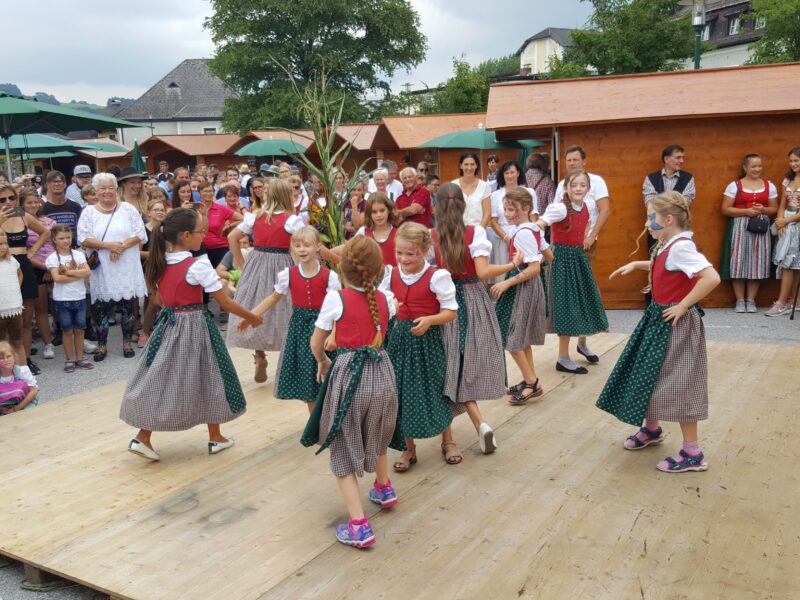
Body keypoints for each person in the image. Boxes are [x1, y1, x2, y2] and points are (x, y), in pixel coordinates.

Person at [120, 208, 262, 461]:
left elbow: (160, 300)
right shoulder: (197, 266)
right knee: (210, 375)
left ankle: (210, 436)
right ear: (186, 236)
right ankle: (145, 436)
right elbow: (225, 304)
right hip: (196, 326)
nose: (204, 236)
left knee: (166, 377)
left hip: (169, 325)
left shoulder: (160, 262)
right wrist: (251, 316)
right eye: (201, 232)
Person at [597, 191, 720, 473]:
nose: (646, 223)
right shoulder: (670, 244)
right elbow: (666, 267)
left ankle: (693, 453)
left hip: (675, 325)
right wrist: (637, 265)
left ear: (667, 219)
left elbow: (711, 277)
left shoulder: (681, 247)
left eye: (650, 217)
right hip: (658, 321)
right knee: (647, 374)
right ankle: (651, 429)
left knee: (679, 384)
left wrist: (683, 306)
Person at [301, 236, 399, 549]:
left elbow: (316, 343)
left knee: (343, 442)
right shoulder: (386, 298)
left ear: (342, 266)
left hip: (350, 376)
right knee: (378, 429)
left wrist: (324, 361)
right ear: (380, 268)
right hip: (382, 372)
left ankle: (358, 525)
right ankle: (383, 488)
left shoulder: (336, 298)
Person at [433, 184, 523, 454]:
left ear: (437, 207)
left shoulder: (432, 236)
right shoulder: (475, 233)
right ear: (463, 205)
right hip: (473, 301)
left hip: (443, 301)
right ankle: (479, 424)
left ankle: (455, 435)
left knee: (449, 365)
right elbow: (483, 272)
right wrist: (512, 263)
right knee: (465, 363)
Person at [380, 223, 458, 471]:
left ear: (425, 251)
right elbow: (381, 304)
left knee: (436, 387)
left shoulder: (437, 276)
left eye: (410, 254)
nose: (403, 259)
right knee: (400, 391)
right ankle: (408, 447)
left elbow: (452, 311)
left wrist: (431, 320)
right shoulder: (390, 274)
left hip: (429, 340)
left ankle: (448, 440)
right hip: (400, 339)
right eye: (399, 253)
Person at [242, 227, 340, 410]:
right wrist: (251, 315)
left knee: (329, 380)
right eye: (297, 245)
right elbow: (273, 297)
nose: (302, 249)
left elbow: (337, 309)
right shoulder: (288, 274)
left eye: (307, 245)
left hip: (324, 330)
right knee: (310, 384)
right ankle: (316, 429)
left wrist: (334, 333)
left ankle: (329, 422)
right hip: (300, 332)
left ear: (318, 246)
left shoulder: (330, 277)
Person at [226, 179, 304, 383]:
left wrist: (243, 264)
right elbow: (304, 242)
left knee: (255, 307)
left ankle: (259, 355)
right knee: (286, 312)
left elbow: (232, 238)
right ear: (287, 196)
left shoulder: (255, 217)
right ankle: (285, 365)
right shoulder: (291, 220)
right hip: (282, 265)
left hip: (257, 263)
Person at [539, 170, 608, 374]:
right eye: (574, 185)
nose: (578, 188)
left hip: (578, 257)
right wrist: (548, 251)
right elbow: (537, 228)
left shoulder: (587, 206)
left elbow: (583, 228)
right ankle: (563, 357)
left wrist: (584, 240)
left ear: (588, 188)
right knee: (567, 305)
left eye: (583, 185)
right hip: (561, 260)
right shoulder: (559, 208)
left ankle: (582, 344)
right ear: (567, 188)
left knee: (585, 299)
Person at [78, 173, 148, 361]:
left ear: (116, 189)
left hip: (126, 265)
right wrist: (109, 246)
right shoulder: (88, 212)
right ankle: (102, 346)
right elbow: (84, 239)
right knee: (100, 309)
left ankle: (126, 343)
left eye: (111, 187)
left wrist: (121, 247)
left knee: (128, 308)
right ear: (95, 191)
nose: (107, 191)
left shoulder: (128, 209)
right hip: (103, 269)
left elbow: (140, 233)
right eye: (103, 188)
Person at [492, 186, 551, 402]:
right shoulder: (534, 229)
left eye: (512, 209)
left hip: (522, 288)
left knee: (511, 338)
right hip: (529, 286)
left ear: (526, 208)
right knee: (520, 336)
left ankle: (532, 383)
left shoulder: (523, 233)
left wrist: (507, 282)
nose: (507, 214)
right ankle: (529, 379)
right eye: (505, 210)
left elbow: (533, 268)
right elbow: (549, 255)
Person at [0, 184, 50, 375]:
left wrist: (32, 252)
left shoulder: (22, 214)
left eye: (11, 198)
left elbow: (45, 232)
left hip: (22, 265)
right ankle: (5, 365)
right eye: (2, 200)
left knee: (26, 319)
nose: (7, 203)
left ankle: (25, 361)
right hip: (3, 268)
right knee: (5, 319)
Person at [720, 154, 779, 313]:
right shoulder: (735, 186)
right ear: (745, 167)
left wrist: (763, 210)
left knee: (756, 262)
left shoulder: (769, 185)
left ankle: (751, 300)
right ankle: (740, 300)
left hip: (760, 227)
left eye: (759, 166)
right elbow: (725, 209)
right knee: (738, 262)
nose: (757, 169)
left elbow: (774, 209)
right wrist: (746, 211)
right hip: (739, 226)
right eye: (753, 166)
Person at [642, 144, 697, 301]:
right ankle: (653, 299)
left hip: (678, 229)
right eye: (678, 157)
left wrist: (663, 206)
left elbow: (685, 203)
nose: (682, 161)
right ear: (666, 159)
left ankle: (679, 298)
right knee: (655, 261)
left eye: (683, 158)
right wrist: (671, 206)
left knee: (678, 262)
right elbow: (650, 203)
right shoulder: (651, 179)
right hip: (656, 227)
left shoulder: (689, 178)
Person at [46, 225, 93, 372]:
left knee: (80, 329)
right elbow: (57, 278)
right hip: (62, 299)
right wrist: (76, 273)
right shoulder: (52, 258)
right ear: (54, 240)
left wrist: (68, 272)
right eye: (61, 238)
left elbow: (87, 272)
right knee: (66, 330)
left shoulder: (78, 255)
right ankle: (69, 359)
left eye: (68, 237)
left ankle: (80, 357)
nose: (65, 241)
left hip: (79, 297)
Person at [555, 146, 611, 264]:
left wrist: (592, 237)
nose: (571, 163)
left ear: (584, 162)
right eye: (568, 160)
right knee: (565, 281)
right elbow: (555, 216)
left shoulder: (596, 181)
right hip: (564, 245)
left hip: (585, 242)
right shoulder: (561, 185)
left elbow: (605, 210)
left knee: (584, 280)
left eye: (575, 160)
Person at [22, 189, 56, 359]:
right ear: (21, 205)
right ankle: (43, 345)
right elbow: (25, 252)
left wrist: (54, 266)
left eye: (36, 202)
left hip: (53, 265)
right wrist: (45, 268)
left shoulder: (48, 221)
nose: (34, 205)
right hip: (34, 267)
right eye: (29, 202)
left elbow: (56, 241)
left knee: (53, 306)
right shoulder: (19, 223)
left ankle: (56, 341)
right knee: (38, 308)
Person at [322, 192, 399, 268]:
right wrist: (325, 253)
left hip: (392, 279)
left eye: (382, 210)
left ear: (388, 210)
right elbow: (346, 247)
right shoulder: (363, 232)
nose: (379, 215)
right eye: (374, 212)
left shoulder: (398, 234)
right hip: (369, 279)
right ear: (369, 214)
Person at [767, 148, 800, 316]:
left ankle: (782, 303)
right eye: (791, 161)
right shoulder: (787, 180)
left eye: (797, 160)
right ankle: (791, 301)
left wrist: (786, 220)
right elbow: (781, 205)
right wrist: (780, 222)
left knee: (791, 263)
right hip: (787, 223)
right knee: (789, 263)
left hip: (797, 223)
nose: (793, 164)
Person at [489, 161, 538, 275]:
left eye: (512, 172)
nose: (510, 176)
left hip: (524, 236)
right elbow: (493, 222)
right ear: (502, 175)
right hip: (502, 238)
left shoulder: (529, 192)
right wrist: (507, 239)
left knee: (523, 270)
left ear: (518, 173)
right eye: (506, 173)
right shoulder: (496, 195)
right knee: (502, 274)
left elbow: (533, 217)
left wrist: (531, 233)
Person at [137, 199, 168, 348]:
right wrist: (155, 254)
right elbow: (137, 253)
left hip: (166, 268)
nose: (160, 212)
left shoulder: (167, 229)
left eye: (162, 209)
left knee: (162, 300)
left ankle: (161, 329)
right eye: (156, 209)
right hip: (148, 269)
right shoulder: (143, 230)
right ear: (148, 213)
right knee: (153, 301)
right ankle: (145, 332)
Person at [0, 232, 25, 365]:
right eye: (0, 244)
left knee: (17, 342)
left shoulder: (12, 261)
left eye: (5, 243)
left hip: (15, 307)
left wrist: (16, 288)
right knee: (1, 344)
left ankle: (23, 373)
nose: (4, 247)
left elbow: (20, 274)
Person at [40, 170, 82, 245]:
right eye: (53, 182)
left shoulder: (76, 206)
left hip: (75, 249)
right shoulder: (43, 209)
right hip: (52, 250)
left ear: (65, 184)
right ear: (47, 185)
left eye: (59, 181)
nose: (57, 184)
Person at [452, 152, 492, 228]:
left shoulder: (484, 186)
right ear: (461, 166)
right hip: (457, 231)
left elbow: (487, 213)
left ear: (476, 165)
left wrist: (479, 231)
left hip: (478, 231)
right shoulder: (453, 185)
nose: (469, 168)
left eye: (472, 164)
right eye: (466, 164)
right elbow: (449, 211)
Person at [0, 341, 39, 415]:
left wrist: (16, 409)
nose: (6, 360)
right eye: (1, 358)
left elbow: (33, 391)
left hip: (25, 405)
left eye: (8, 356)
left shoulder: (22, 371)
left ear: (14, 357)